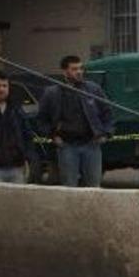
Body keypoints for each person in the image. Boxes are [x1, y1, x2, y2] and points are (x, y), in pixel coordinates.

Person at [36, 55, 114, 187]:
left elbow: (108, 113)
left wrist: (106, 133)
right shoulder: (52, 93)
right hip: (67, 146)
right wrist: (53, 136)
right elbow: (41, 120)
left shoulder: (93, 89)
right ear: (65, 71)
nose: (79, 72)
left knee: (94, 187)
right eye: (74, 69)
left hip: (92, 145)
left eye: (80, 68)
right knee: (69, 187)